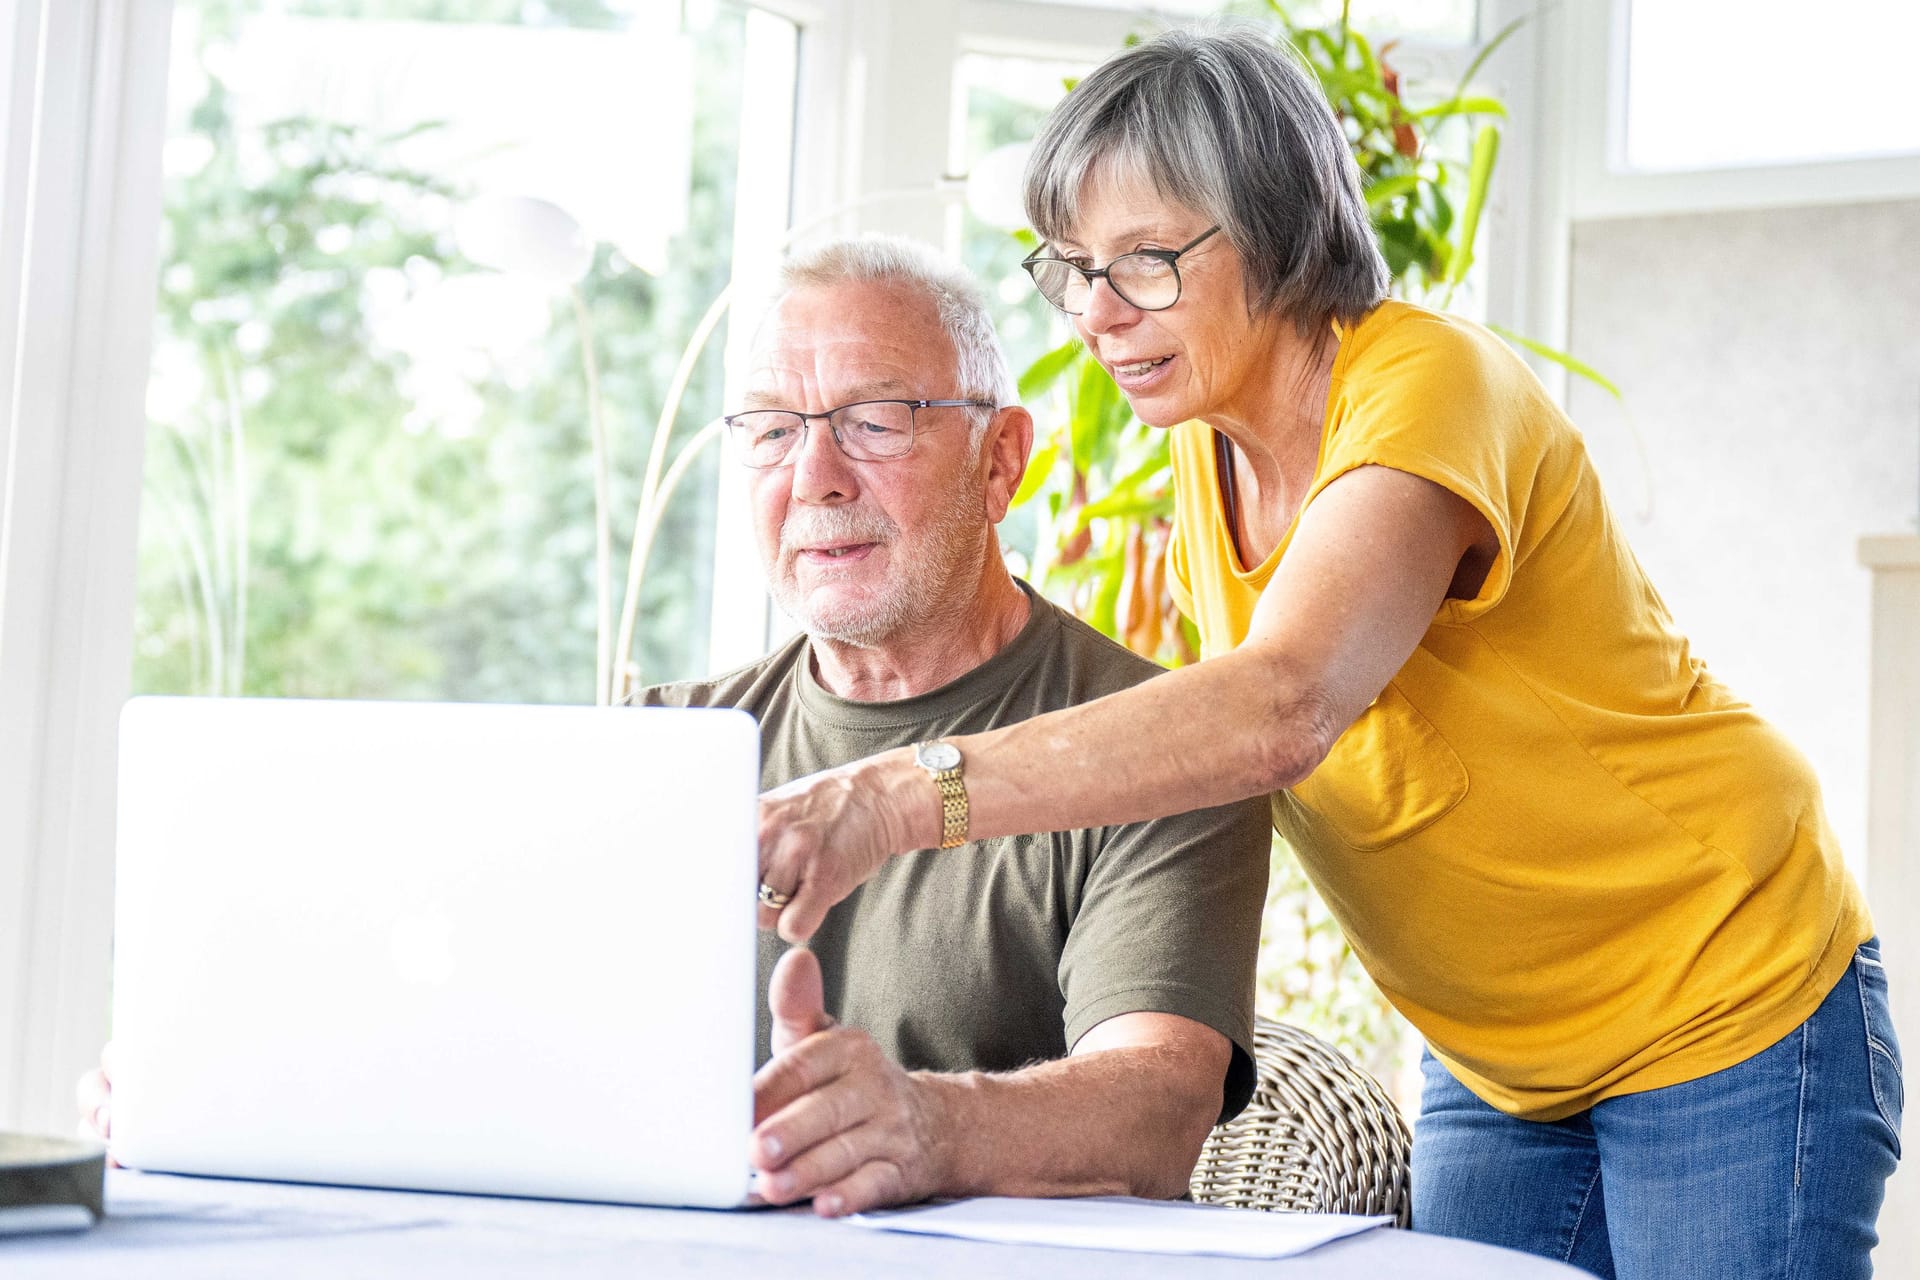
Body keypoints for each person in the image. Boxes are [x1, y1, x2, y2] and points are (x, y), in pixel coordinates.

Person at [751, 26, 1901, 1279]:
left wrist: (900, 791)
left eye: (1145, 261)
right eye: (1073, 268)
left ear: (1281, 229)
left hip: (1722, 988)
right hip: (1498, 1053)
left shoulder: (1427, 384)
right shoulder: (1208, 447)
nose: (1093, 314)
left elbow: (1280, 705)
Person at [81, 235, 1273, 1220]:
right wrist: (231, 1080)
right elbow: (475, 1042)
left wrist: (930, 1123)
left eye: (874, 418)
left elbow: (1155, 1111)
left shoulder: (1159, 743)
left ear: (1001, 457)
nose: (814, 475)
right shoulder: (658, 751)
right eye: (768, 427)